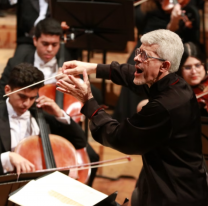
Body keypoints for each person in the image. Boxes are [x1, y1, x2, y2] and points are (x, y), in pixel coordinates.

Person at [56, 29, 208, 205]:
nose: (137, 58)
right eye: (138, 52)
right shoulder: (175, 83)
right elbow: (133, 73)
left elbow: (119, 137)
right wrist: (92, 68)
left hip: (176, 195)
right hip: (176, 185)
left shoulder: (163, 106)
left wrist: (88, 101)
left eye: (144, 56)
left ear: (164, 66)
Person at [113, 0, 204, 123]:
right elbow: (143, 30)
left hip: (173, 51)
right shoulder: (147, 6)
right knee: (134, 66)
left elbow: (190, 40)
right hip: (148, 48)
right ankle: (129, 123)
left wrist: (174, 23)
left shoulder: (189, 10)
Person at [0, 62, 87, 176]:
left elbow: (80, 142)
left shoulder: (40, 114)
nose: (27, 103)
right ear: (8, 90)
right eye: (22, 96)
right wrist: (7, 158)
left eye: (32, 98)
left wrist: (59, 113)